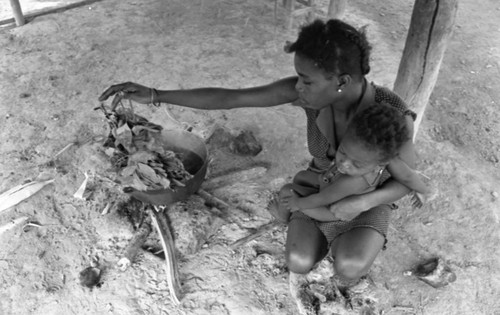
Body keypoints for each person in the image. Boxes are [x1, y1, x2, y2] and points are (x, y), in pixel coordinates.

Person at [98, 19, 420, 293]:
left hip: (368, 196)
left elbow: (407, 181)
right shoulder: (312, 97)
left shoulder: (389, 113)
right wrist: (156, 95)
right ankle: (315, 230)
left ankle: (345, 251)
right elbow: (232, 98)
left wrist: (359, 204)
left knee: (350, 265)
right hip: (316, 189)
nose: (299, 88)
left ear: (342, 81)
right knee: (299, 262)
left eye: (306, 80)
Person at [275, 103, 430, 225]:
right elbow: (407, 176)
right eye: (343, 152)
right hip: (330, 188)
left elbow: (322, 199)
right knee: (301, 177)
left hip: (329, 211)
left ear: (380, 164)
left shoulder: (353, 181)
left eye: (356, 164)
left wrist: (299, 203)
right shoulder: (378, 156)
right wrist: (421, 190)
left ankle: (282, 218)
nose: (344, 164)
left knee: (287, 191)